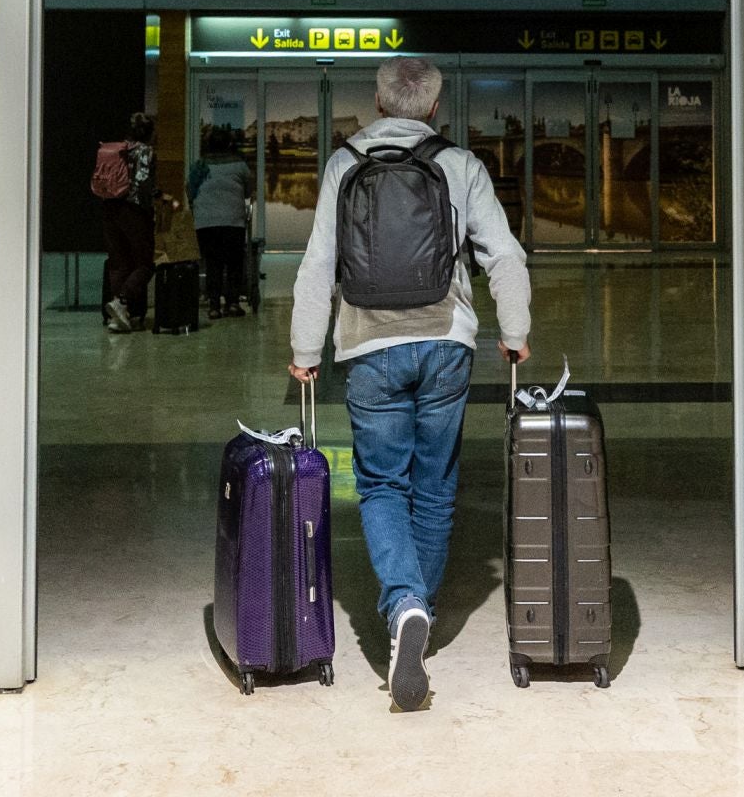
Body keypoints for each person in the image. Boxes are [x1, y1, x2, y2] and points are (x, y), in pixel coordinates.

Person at [287, 57, 531, 712]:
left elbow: (317, 266)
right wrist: (514, 330)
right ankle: (413, 608)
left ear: (377, 100)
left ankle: (404, 606)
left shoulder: (345, 165)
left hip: (370, 346)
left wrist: (304, 349)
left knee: (381, 485)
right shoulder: (459, 165)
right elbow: (504, 254)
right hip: (446, 342)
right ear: (433, 106)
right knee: (435, 486)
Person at [188, 126, 255, 319]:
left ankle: (214, 306)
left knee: (213, 263)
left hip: (206, 223)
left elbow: (189, 190)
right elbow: (249, 191)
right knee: (234, 262)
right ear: (228, 144)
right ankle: (233, 303)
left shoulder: (200, 165)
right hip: (233, 221)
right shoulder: (239, 165)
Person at [100, 112, 158, 334]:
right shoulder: (145, 151)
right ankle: (122, 302)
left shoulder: (115, 149)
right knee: (146, 262)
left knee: (119, 263)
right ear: (149, 132)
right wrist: (155, 199)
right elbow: (143, 184)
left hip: (109, 208)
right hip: (133, 211)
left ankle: (119, 316)